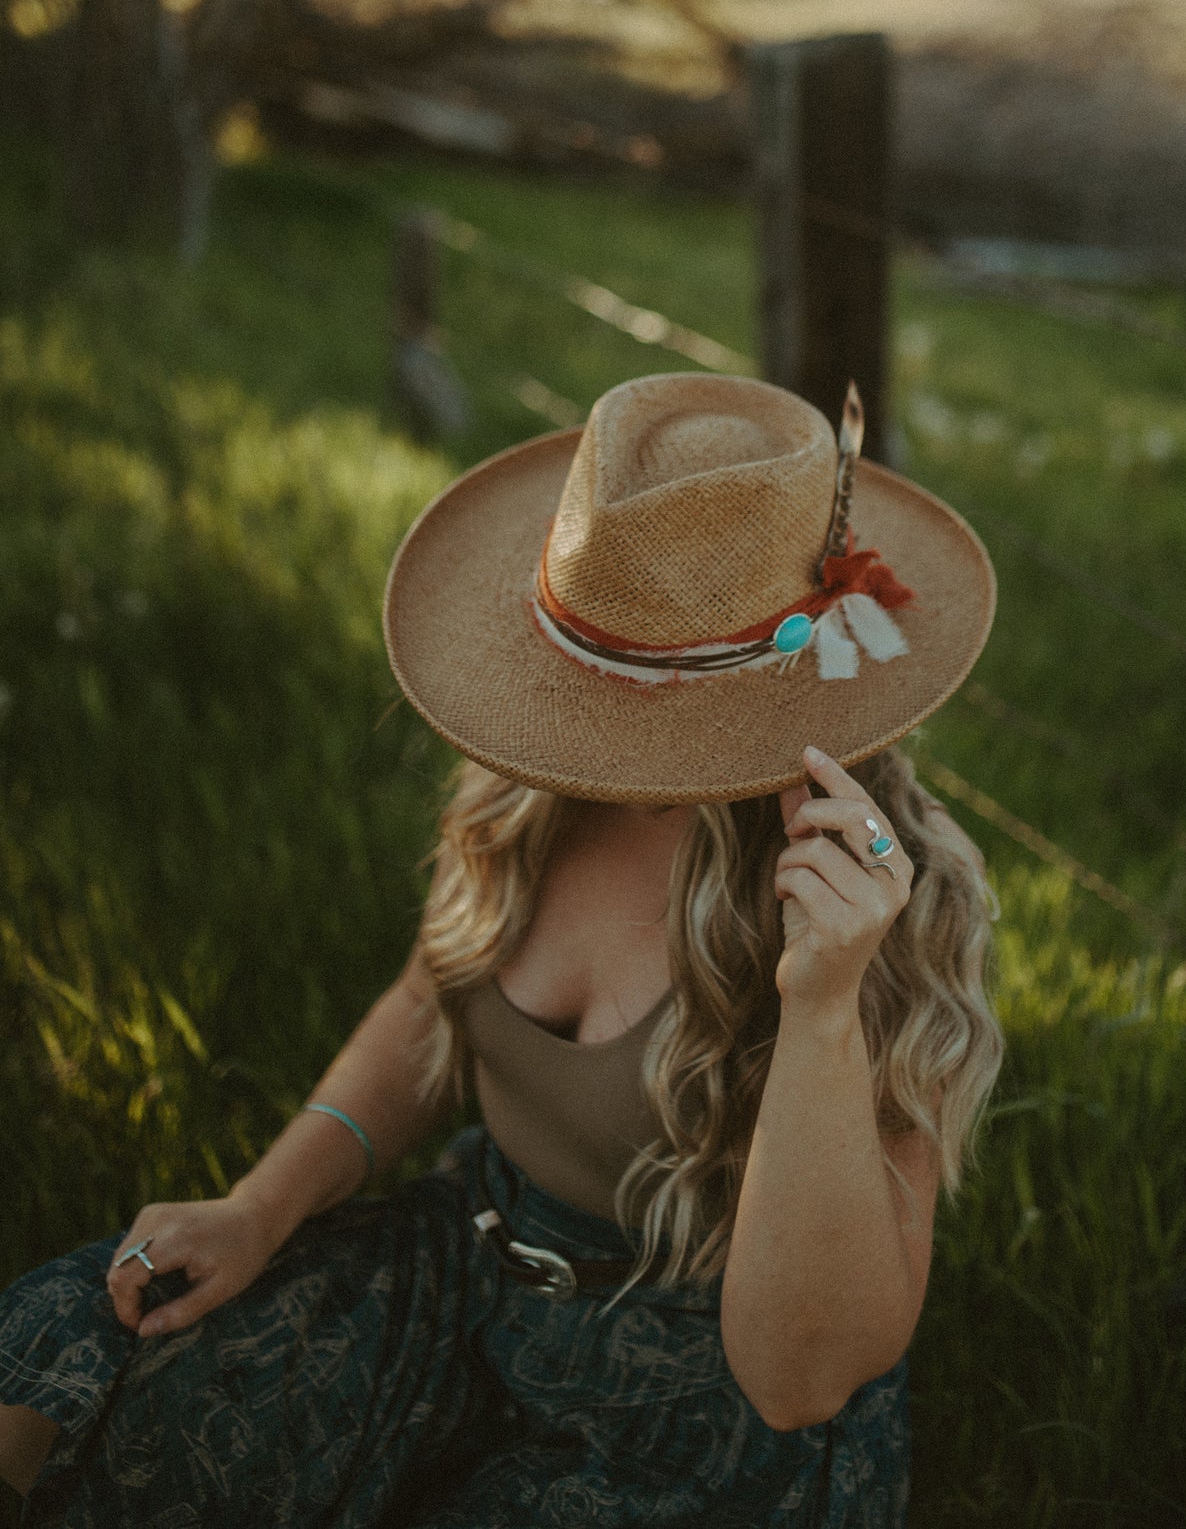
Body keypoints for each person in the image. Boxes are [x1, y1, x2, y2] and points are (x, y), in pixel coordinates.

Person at [0, 372, 1004, 1527]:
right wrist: (260, 1207)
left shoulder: (881, 897)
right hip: (463, 1260)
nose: (604, 735)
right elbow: (432, 996)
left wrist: (824, 1005)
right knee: (78, 1341)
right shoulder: (531, 787)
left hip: (703, 1392)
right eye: (598, 674)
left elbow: (800, 1380)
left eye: (645, 690)